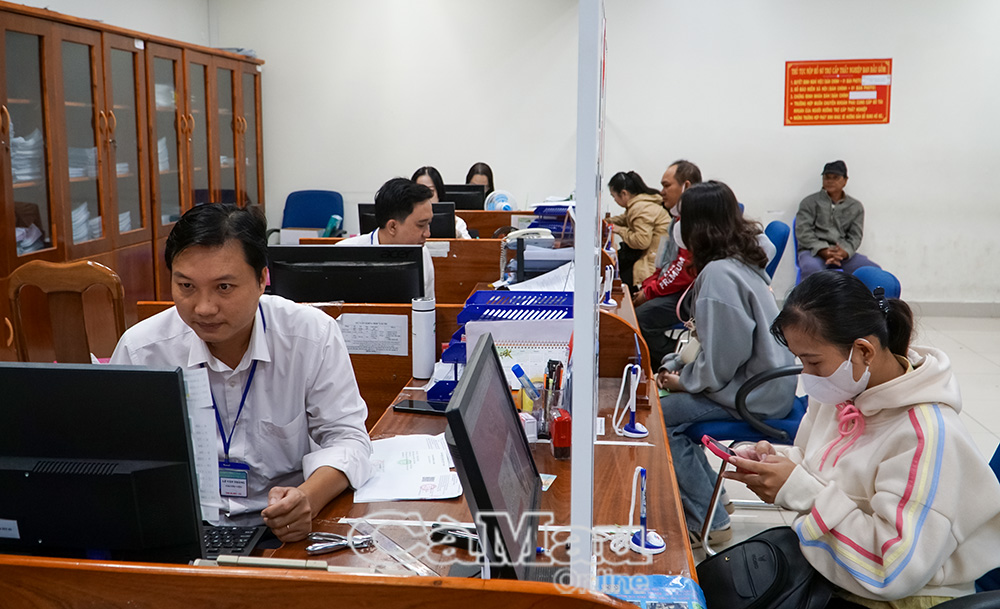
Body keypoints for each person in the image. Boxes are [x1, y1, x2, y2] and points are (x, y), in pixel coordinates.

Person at [726, 271, 1000, 608]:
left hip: (900, 596)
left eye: (813, 361)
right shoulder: (841, 392)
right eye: (800, 360)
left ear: (863, 351)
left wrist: (798, 489)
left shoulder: (925, 436)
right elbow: (815, 463)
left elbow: (891, 571)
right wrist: (775, 463)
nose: (806, 375)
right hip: (832, 565)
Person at [110, 204, 372, 543]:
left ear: (262, 279)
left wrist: (308, 498)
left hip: (283, 530)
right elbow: (116, 456)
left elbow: (348, 438)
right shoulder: (143, 350)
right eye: (186, 286)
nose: (204, 308)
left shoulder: (310, 337)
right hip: (180, 529)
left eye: (224, 287)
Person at [655, 180, 796, 542]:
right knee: (671, 410)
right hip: (767, 379)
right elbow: (718, 346)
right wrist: (682, 365)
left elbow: (721, 363)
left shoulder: (718, 276)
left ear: (696, 226)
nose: (677, 225)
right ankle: (713, 500)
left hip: (754, 392)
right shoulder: (741, 257)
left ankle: (710, 521)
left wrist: (683, 381)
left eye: (682, 218)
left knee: (659, 418)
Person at [633, 159, 702, 364]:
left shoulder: (694, 221)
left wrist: (650, 292)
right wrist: (649, 286)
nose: (661, 192)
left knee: (641, 318)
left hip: (690, 294)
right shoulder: (677, 221)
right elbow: (667, 262)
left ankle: (678, 362)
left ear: (686, 186)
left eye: (666, 186)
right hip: (680, 288)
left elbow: (683, 269)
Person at [338, 177, 435, 299]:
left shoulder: (422, 253)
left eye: (428, 224)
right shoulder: (345, 253)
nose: (427, 233)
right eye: (421, 225)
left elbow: (428, 306)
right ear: (392, 227)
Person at [795, 160, 881, 279]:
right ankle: (812, 293)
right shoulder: (809, 202)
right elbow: (803, 232)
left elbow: (855, 236)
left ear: (845, 180)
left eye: (835, 177)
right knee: (812, 269)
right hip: (813, 252)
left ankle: (858, 293)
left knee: (873, 272)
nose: (830, 181)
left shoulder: (855, 206)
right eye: (827, 177)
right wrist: (823, 250)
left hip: (842, 254)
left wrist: (843, 252)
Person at [606, 170, 670, 286]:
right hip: (654, 255)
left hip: (653, 261)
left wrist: (619, 230)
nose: (615, 200)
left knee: (617, 276)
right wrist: (607, 222)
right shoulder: (639, 203)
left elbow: (642, 241)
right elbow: (625, 219)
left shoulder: (640, 207)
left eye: (614, 196)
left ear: (624, 193)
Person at [411, 165, 471, 239]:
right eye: (420, 192)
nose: (425, 197)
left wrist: (458, 236)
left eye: (430, 191)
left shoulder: (456, 222)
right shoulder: (407, 221)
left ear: (439, 193)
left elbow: (469, 245)